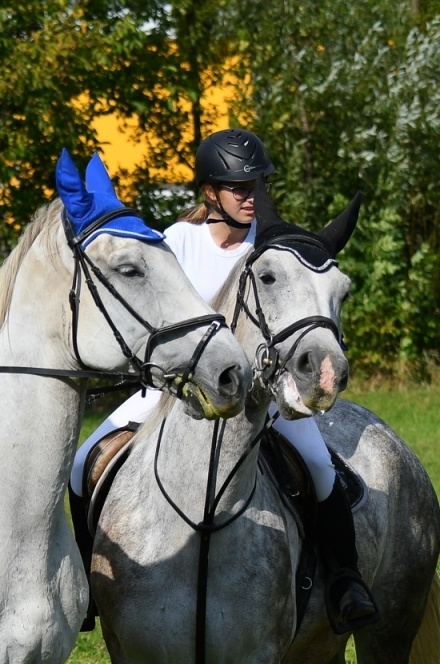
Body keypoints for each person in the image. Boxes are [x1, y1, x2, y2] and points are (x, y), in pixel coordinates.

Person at [70, 128, 377, 632]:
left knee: (321, 469)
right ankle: (89, 587)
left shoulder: (271, 251)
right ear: (211, 192)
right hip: (172, 395)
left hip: (261, 397)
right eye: (239, 188)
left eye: (257, 186)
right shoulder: (173, 242)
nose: (251, 197)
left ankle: (345, 579)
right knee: (83, 462)